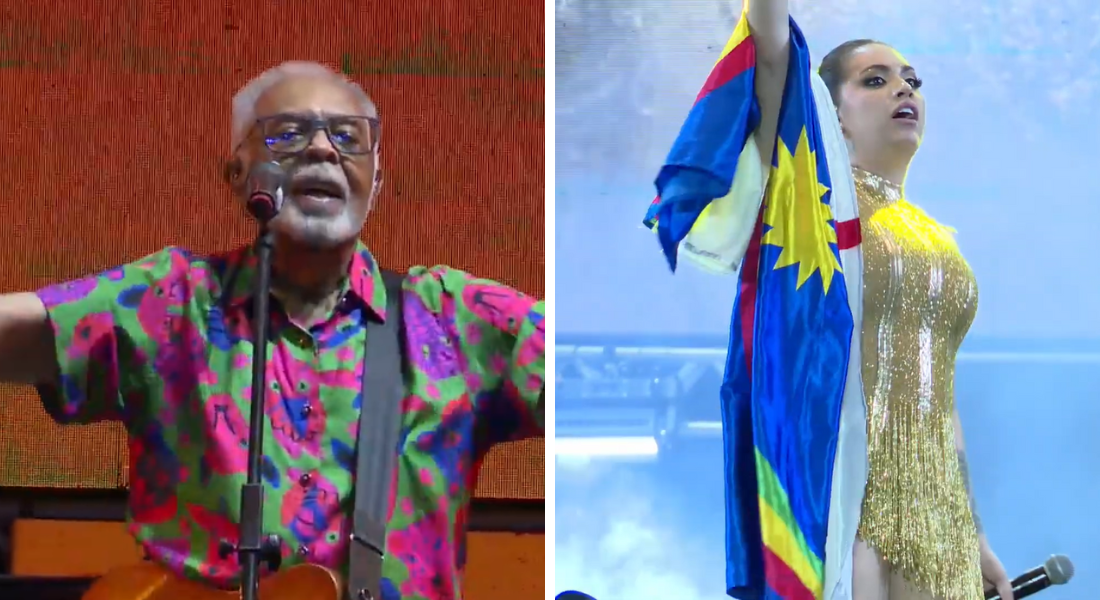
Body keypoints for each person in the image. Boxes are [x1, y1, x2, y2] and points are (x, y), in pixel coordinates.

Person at [0, 61, 545, 600]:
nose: (322, 149)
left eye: (348, 137)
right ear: (238, 174)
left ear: (375, 181)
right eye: (288, 133)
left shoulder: (456, 321)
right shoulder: (173, 301)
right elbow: (20, 329)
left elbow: (610, 372)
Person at [646, 3, 1012, 600]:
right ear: (832, 118)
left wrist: (972, 531)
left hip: (935, 516)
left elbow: (941, 400)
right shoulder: (817, 210)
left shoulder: (938, 238)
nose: (903, 89)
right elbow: (771, 51)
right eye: (876, 80)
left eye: (911, 80)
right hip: (845, 497)